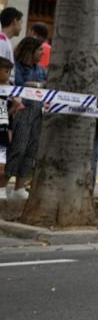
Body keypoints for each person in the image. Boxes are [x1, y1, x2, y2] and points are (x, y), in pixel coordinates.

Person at [7, 37, 46, 199]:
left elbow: (46, 84)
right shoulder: (16, 66)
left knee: (31, 151)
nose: (42, 53)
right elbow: (17, 84)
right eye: (39, 50)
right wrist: (36, 85)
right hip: (21, 112)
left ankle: (19, 188)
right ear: (30, 50)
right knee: (18, 149)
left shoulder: (40, 69)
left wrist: (35, 85)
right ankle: (2, 185)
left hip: (37, 113)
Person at [0, 56, 13, 201]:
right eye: (5, 71)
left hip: (2, 133)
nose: (8, 74)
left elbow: (4, 116)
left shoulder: (7, 90)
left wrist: (9, 130)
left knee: (2, 168)